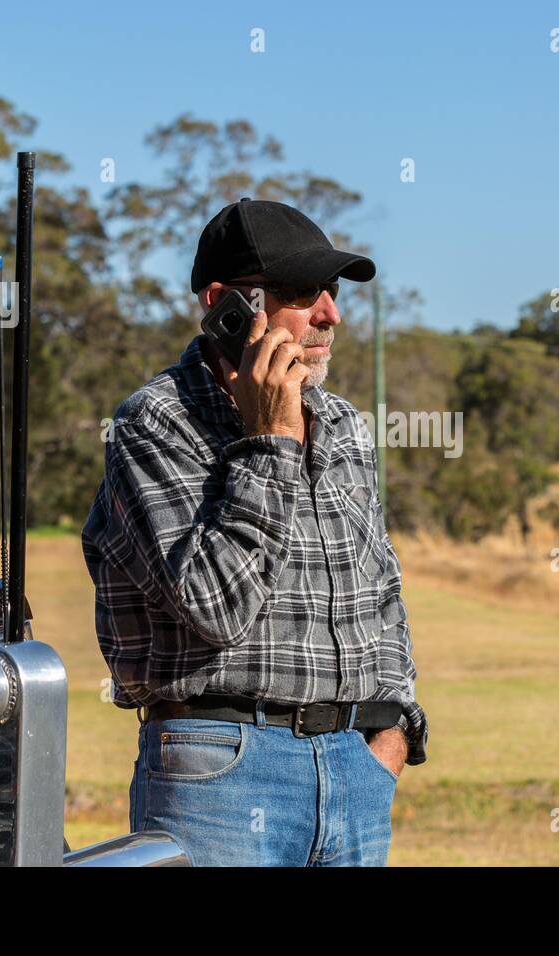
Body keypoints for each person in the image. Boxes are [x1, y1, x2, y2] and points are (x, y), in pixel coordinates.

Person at [81, 198, 427, 866]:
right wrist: (269, 440)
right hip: (221, 774)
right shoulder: (153, 425)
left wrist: (393, 733)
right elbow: (215, 607)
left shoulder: (346, 425)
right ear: (224, 305)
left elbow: (381, 590)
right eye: (302, 293)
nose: (331, 314)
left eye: (331, 292)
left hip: (356, 770)